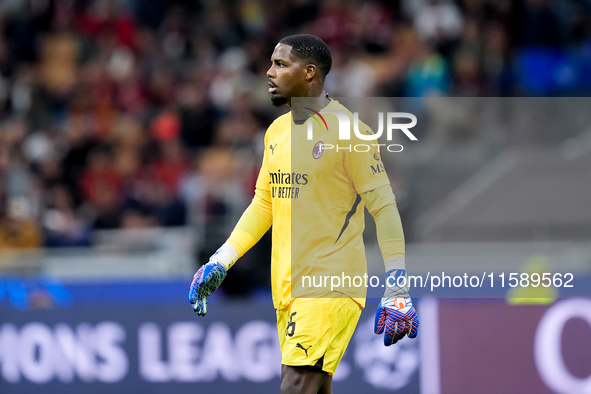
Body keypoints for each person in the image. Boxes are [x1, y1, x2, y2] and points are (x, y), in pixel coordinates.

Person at [189, 34, 419, 394]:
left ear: (310, 72)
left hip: (330, 283)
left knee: (294, 385)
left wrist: (397, 284)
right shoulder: (276, 132)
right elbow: (264, 204)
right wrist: (222, 259)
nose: (269, 73)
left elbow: (384, 207)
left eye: (280, 64)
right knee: (313, 386)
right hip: (288, 289)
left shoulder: (349, 132)